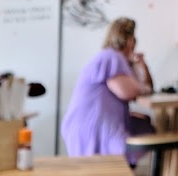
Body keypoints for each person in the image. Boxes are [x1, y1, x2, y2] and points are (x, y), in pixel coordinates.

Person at [61, 17, 154, 165]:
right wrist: (144, 87)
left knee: (143, 125)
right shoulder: (111, 57)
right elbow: (127, 92)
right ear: (129, 40)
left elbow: (140, 87)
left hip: (92, 125)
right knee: (143, 131)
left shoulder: (111, 57)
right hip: (93, 127)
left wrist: (139, 65)